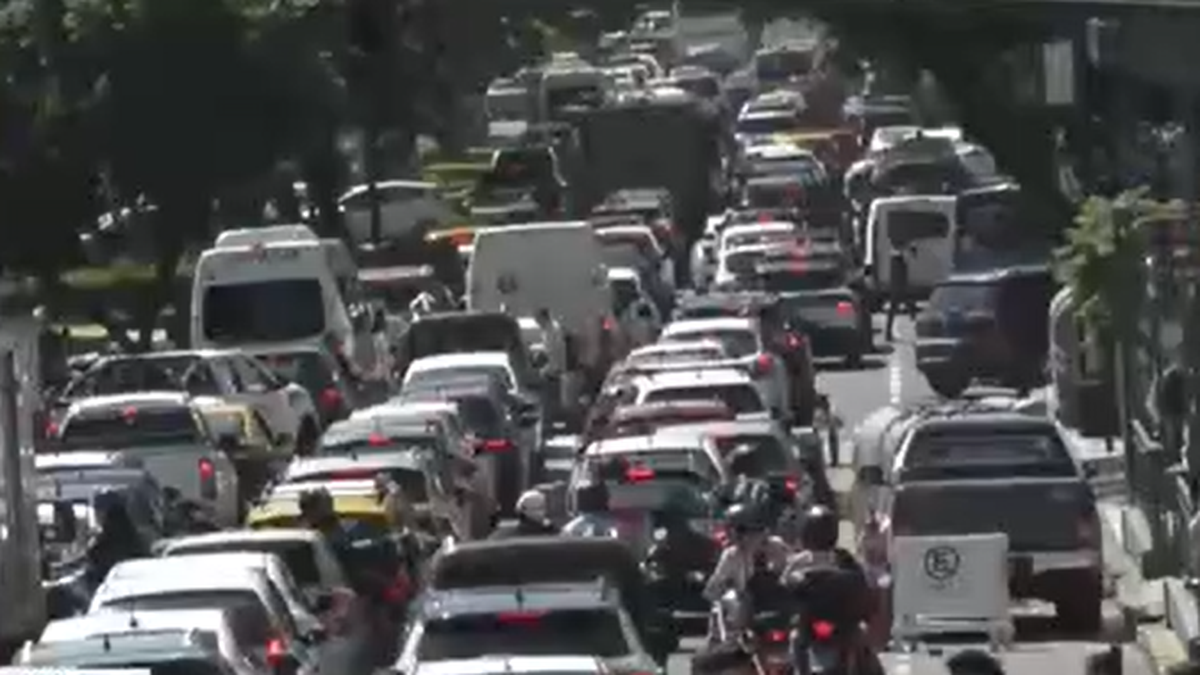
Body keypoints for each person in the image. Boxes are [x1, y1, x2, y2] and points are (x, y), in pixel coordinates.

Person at [782, 504, 878, 675]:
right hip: (830, 625)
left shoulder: (839, 559)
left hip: (833, 625)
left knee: (796, 639)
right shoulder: (843, 558)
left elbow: (783, 584)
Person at [84, 490, 149, 589]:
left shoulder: (101, 546)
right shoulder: (138, 540)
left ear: (104, 513)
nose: (97, 515)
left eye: (98, 511)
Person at [490, 490, 559, 538]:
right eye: (537, 508)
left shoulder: (552, 532)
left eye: (543, 507)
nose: (542, 512)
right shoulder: (505, 535)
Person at [884, 244, 917, 341]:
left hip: (897, 288)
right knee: (907, 306)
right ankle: (915, 322)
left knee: (894, 310)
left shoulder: (896, 260)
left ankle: (888, 333)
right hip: (899, 288)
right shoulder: (899, 260)